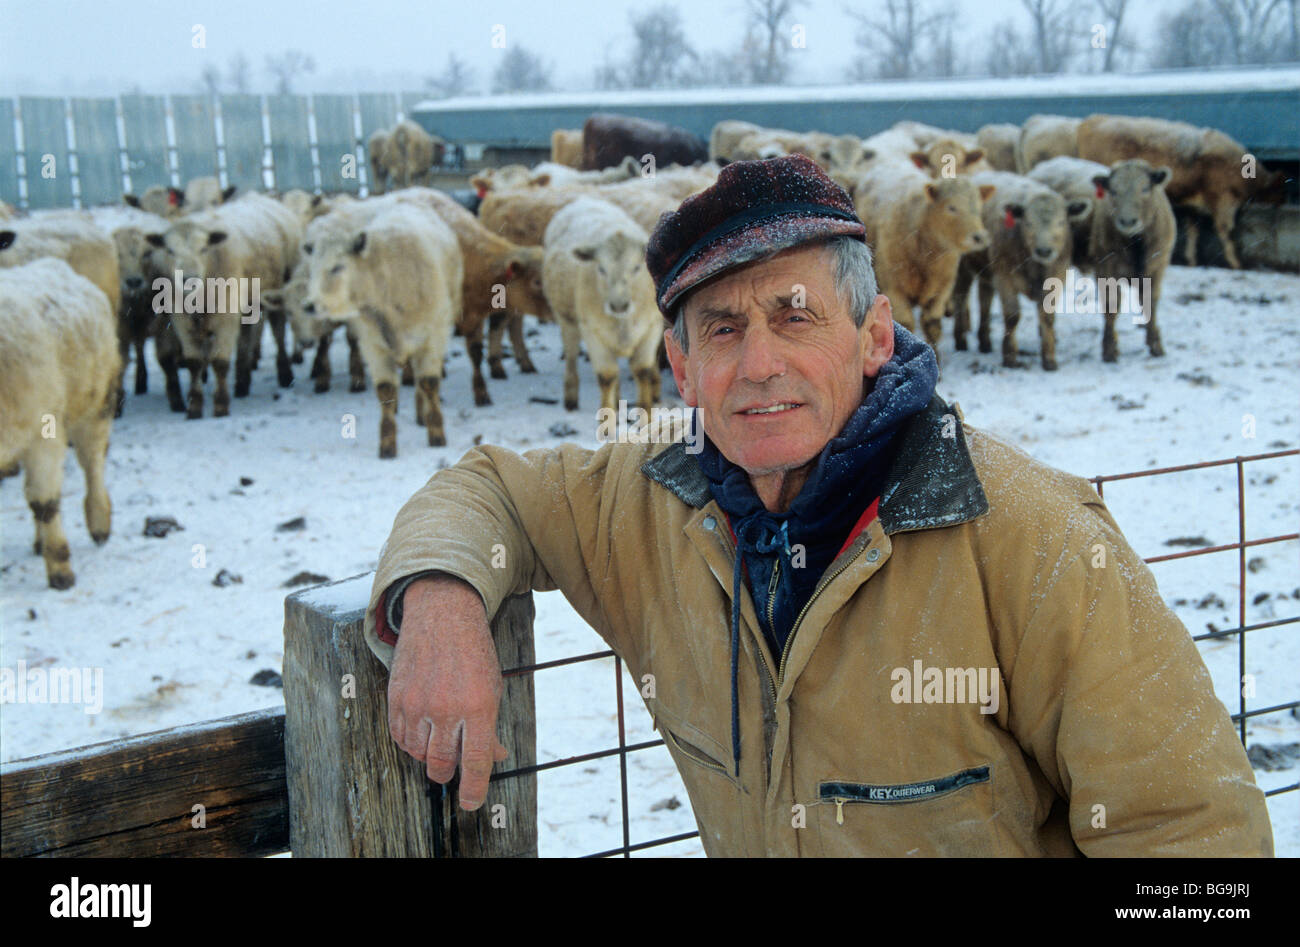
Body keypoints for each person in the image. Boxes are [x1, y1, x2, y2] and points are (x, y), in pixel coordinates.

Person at [362, 154, 1272, 856]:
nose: (759, 363)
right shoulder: (647, 509)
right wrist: (441, 596)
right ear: (679, 367)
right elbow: (486, 487)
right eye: (722, 328)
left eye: (796, 316)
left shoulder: (1036, 544)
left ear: (874, 336)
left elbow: (1196, 846)